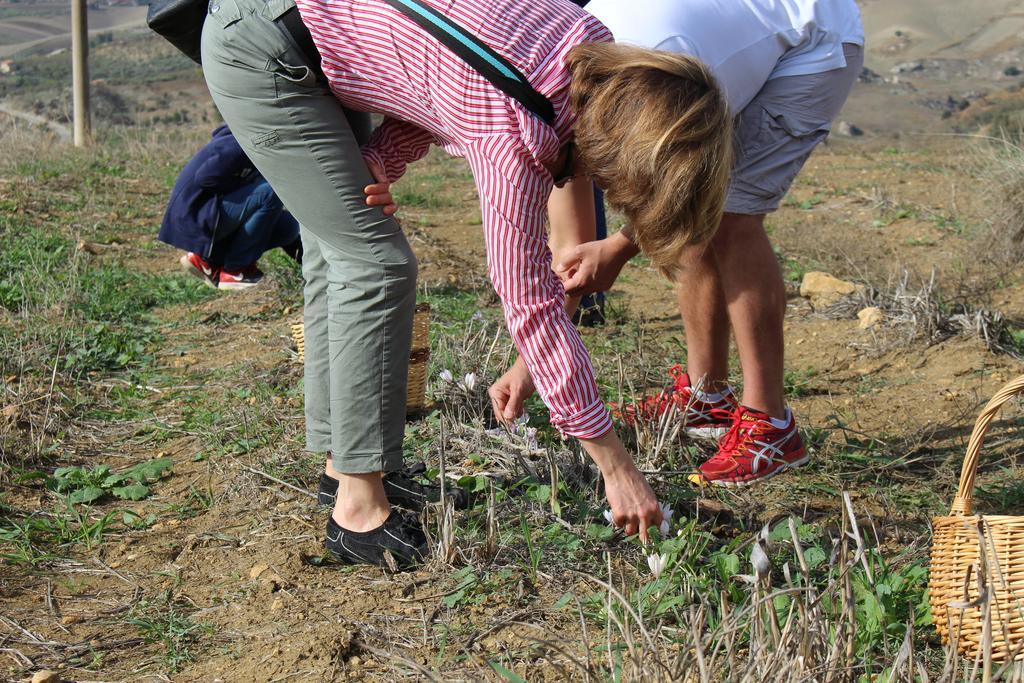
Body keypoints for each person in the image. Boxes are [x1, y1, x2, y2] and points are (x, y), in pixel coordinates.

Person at [200, 0, 731, 566]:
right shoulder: (513, 138)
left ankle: (346, 468)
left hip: (316, 32)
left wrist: (383, 156)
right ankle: (356, 509)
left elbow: (441, 71)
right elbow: (531, 308)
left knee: (344, 251)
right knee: (374, 264)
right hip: (264, 45)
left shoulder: (585, 46)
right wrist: (614, 464)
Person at [490, 0, 864, 488]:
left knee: (731, 218)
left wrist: (620, 247)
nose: (584, 176)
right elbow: (575, 249)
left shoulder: (651, 84)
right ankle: (707, 400)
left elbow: (686, 195)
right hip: (719, 45)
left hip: (812, 35)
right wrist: (531, 364)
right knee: (701, 228)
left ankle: (771, 426)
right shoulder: (551, 101)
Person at [158, 124, 302, 290]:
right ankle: (235, 271)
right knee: (271, 191)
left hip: (210, 216)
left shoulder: (255, 146)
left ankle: (209, 260)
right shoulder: (239, 143)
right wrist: (243, 186)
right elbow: (206, 177)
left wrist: (306, 261)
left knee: (288, 226)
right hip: (196, 220)